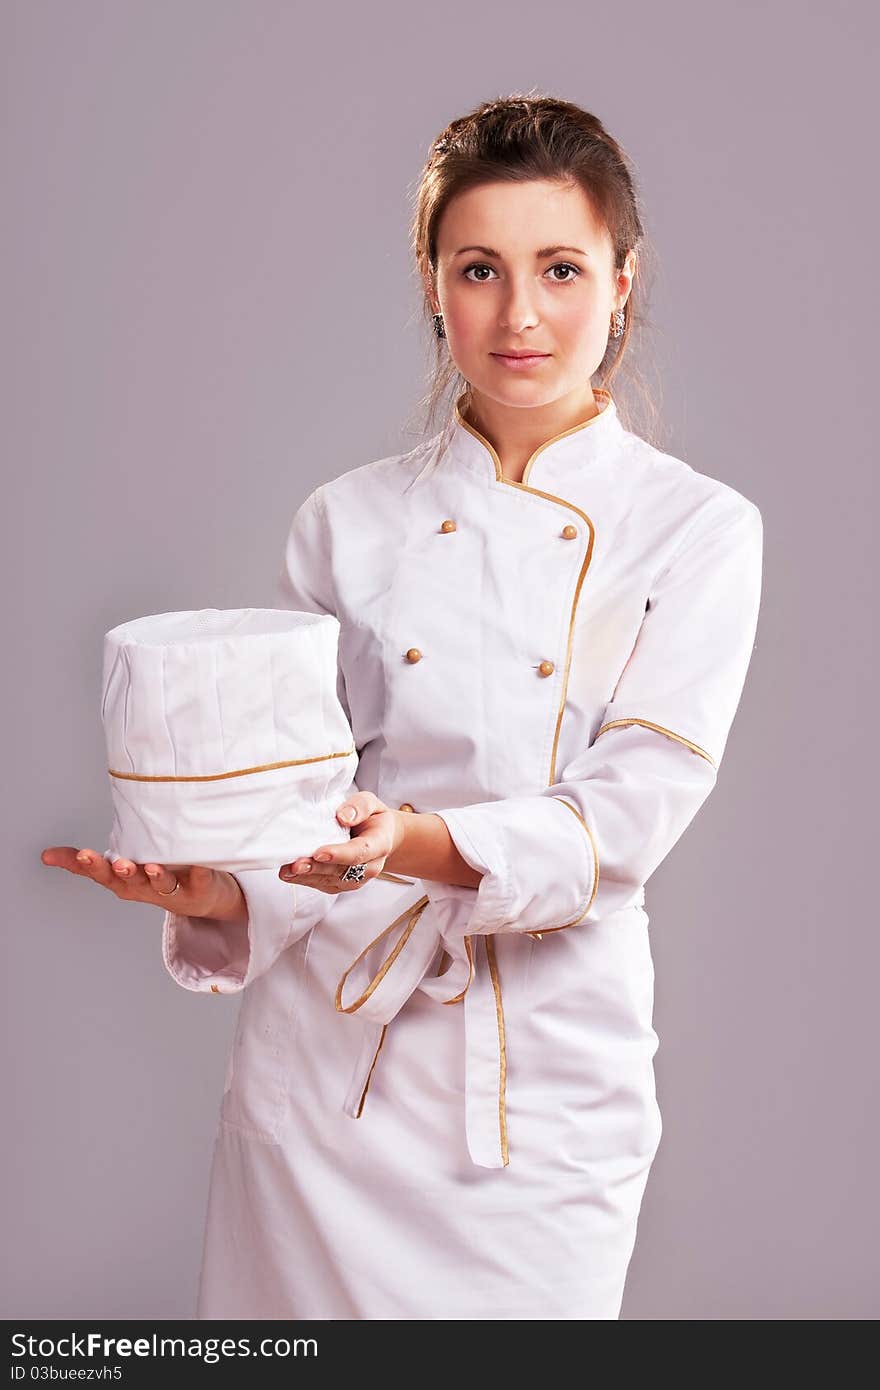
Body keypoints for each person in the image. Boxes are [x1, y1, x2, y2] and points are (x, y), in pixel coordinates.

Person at [42, 94, 764, 1320]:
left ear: (623, 283)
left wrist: (418, 843)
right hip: (327, 1077)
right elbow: (303, 808)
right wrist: (214, 886)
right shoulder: (344, 520)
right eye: (479, 269)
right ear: (433, 282)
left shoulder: (697, 529)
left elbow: (636, 804)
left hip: (541, 1081)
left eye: (560, 269)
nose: (519, 313)